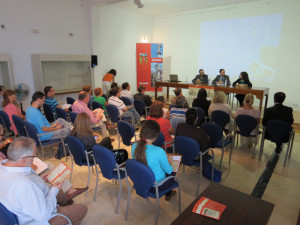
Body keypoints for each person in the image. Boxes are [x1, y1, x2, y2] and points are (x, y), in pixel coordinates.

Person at [0, 137, 88, 225]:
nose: (34, 158)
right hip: (41, 217)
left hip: (36, 200)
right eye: (34, 156)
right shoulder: (24, 184)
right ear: (24, 159)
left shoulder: (4, 166)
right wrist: (54, 189)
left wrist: (39, 178)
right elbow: (43, 214)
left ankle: (65, 201)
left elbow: (27, 185)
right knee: (82, 209)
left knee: (61, 195)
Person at [131, 120, 176, 201]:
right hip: (157, 185)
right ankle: (168, 194)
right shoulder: (158, 151)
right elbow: (169, 171)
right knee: (174, 168)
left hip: (141, 180)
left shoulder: (134, 146)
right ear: (155, 137)